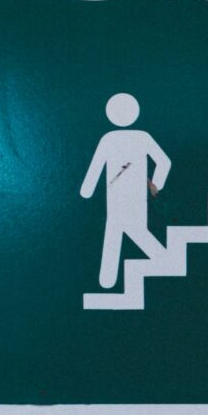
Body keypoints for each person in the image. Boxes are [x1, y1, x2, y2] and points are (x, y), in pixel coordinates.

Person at [80, 92, 171, 289]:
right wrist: (156, 185)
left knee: (128, 230)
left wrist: (87, 189)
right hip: (122, 197)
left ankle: (163, 259)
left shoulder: (112, 138)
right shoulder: (138, 137)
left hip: (128, 197)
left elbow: (96, 167)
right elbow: (164, 162)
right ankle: (108, 280)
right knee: (116, 231)